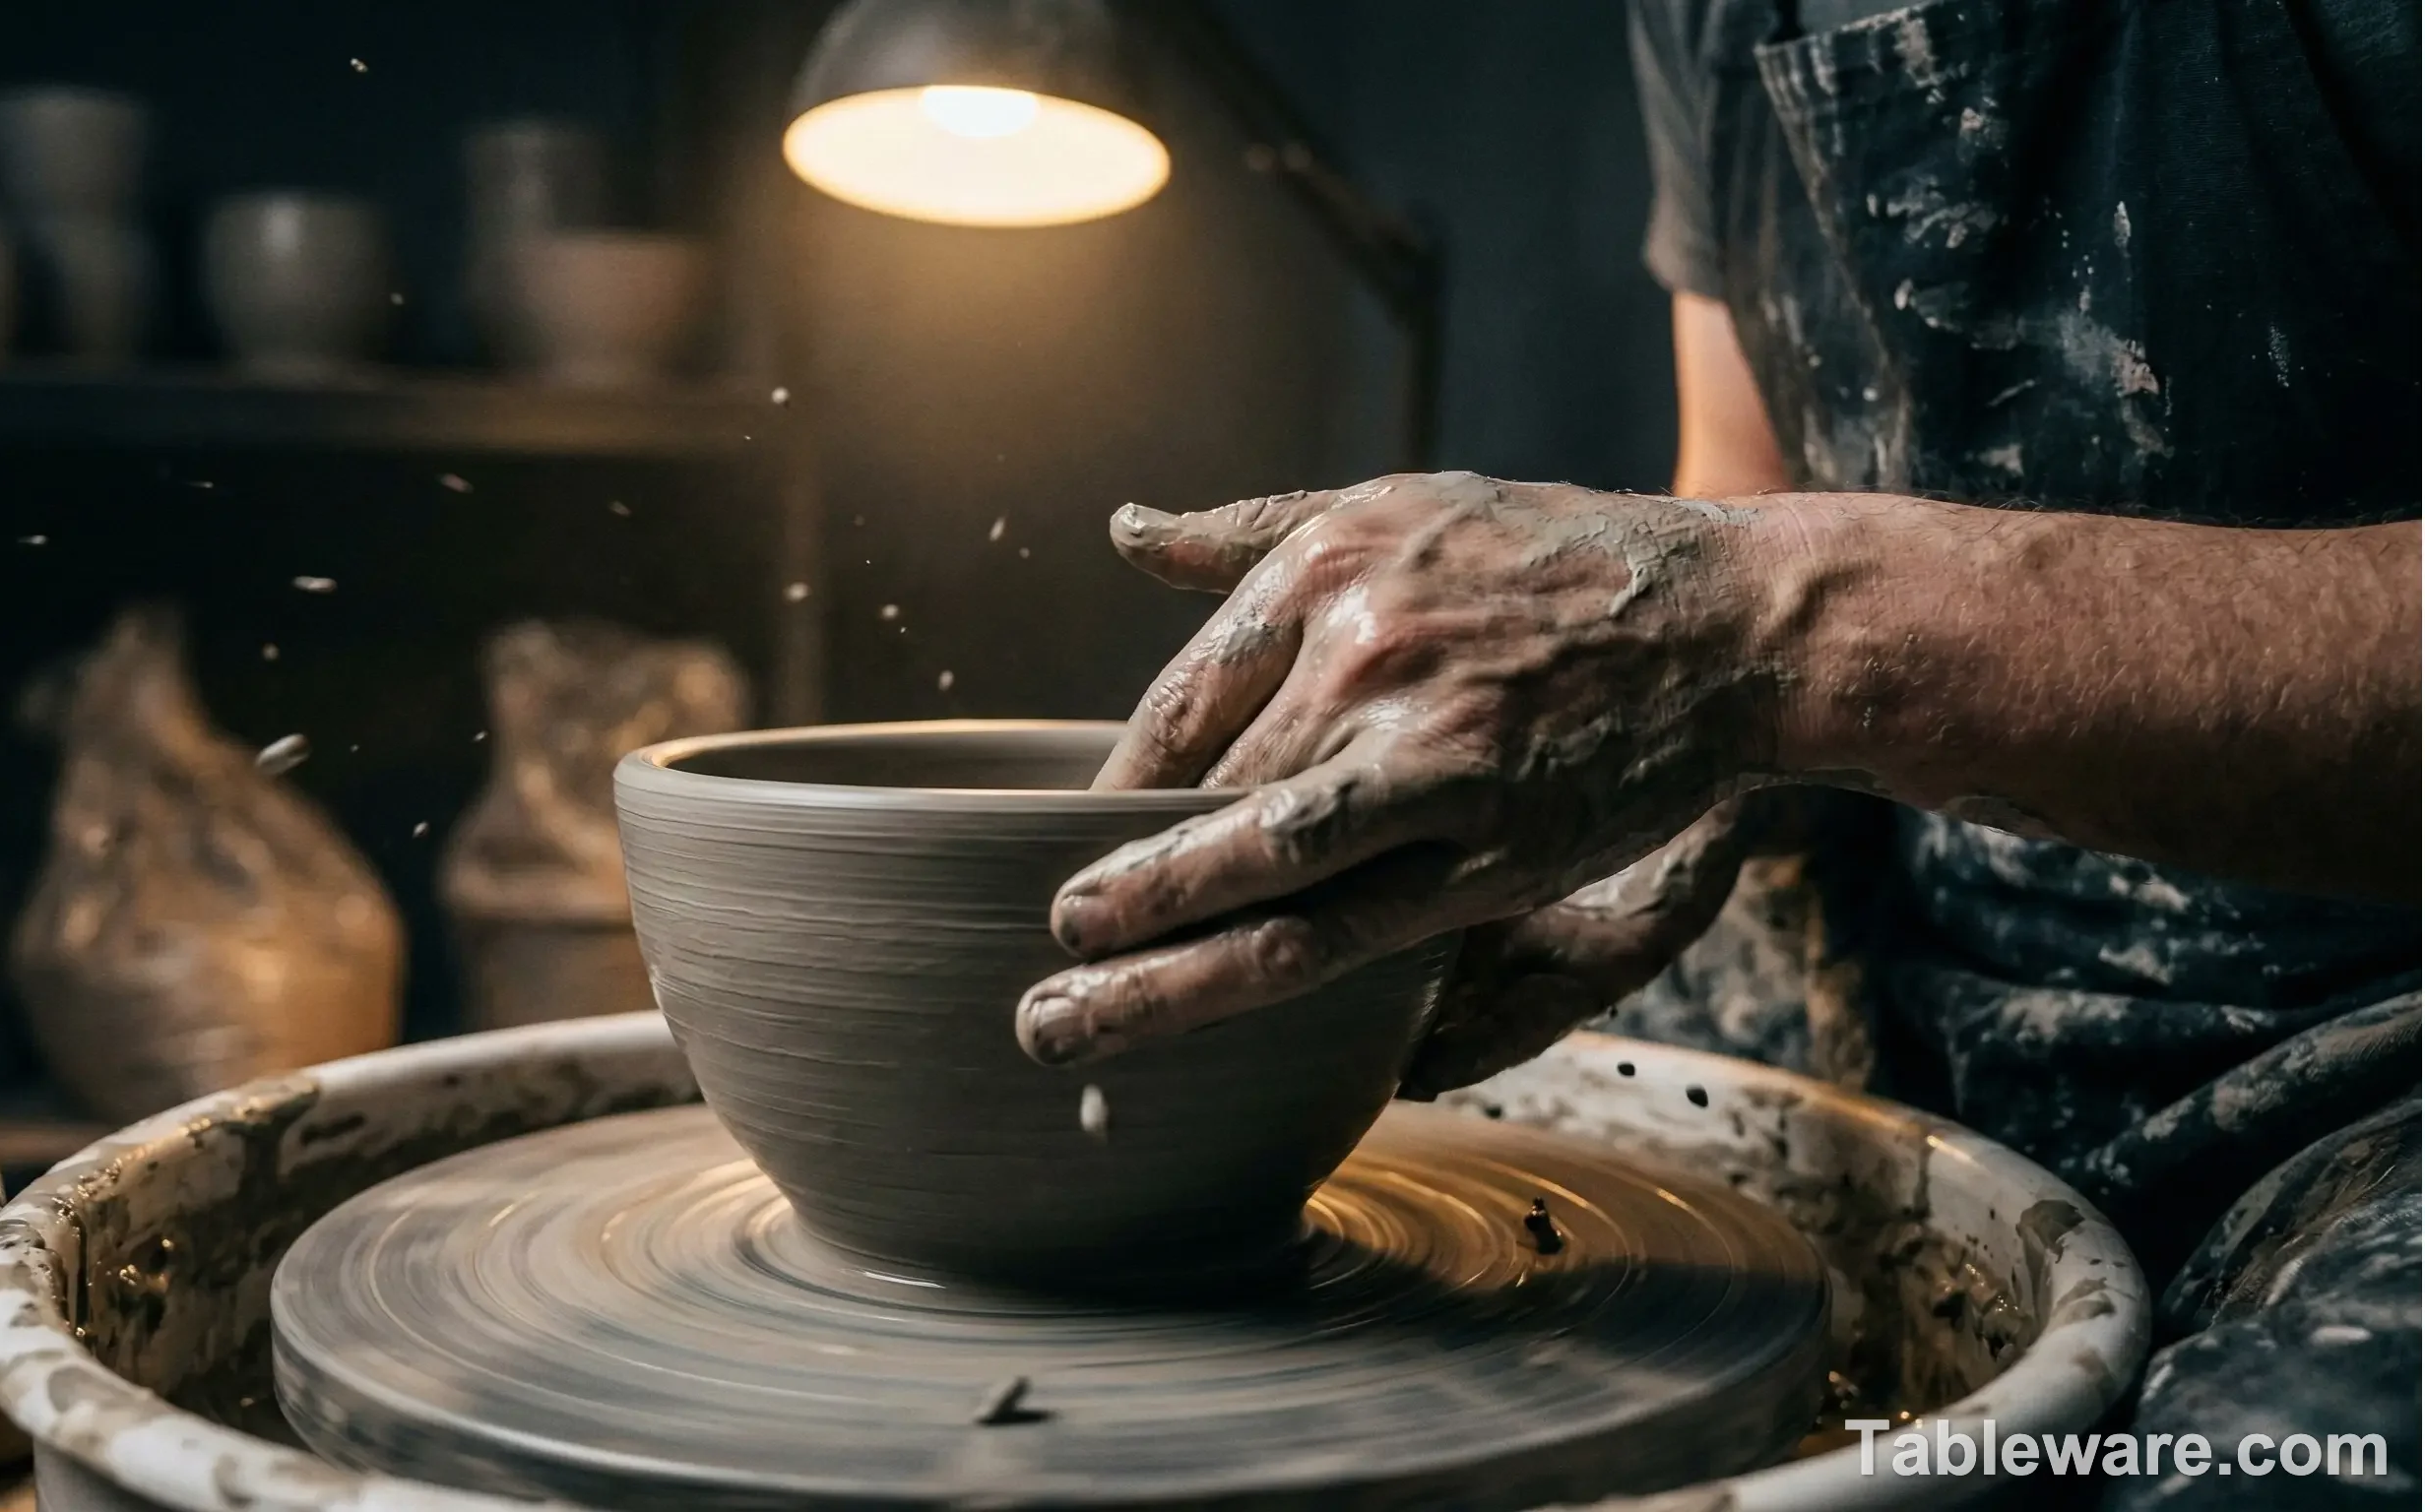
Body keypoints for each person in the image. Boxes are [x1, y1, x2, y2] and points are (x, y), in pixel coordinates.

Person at [1011, 2, 2418, 1504]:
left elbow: (1751, 598)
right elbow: (1746, 480)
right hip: (1911, 935)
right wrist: (1610, 826)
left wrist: (1760, 624)